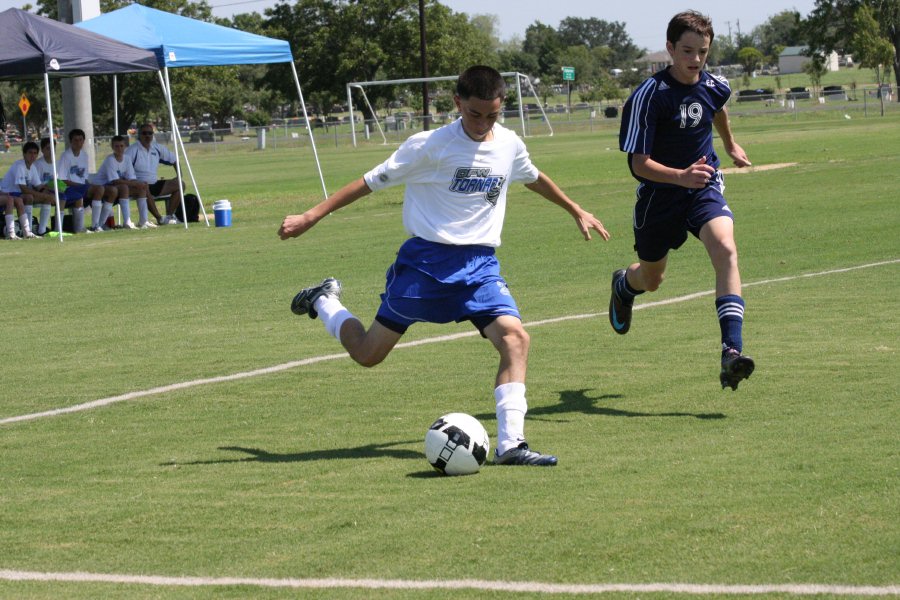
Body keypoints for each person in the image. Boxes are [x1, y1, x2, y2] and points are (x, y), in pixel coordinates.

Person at [279, 66, 610, 466]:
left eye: (492, 115)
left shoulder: (507, 143)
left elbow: (532, 175)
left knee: (516, 339)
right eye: (475, 114)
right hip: (426, 265)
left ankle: (511, 445)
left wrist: (575, 209)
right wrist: (311, 215)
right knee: (368, 354)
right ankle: (325, 300)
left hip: (479, 266)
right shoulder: (428, 146)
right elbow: (368, 182)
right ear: (457, 103)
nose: (483, 124)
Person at [609, 10, 755, 391]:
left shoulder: (713, 84)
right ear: (670, 48)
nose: (695, 60)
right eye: (687, 51)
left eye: (702, 52)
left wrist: (729, 144)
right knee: (652, 279)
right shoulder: (648, 97)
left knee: (725, 247)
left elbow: (718, 106)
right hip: (659, 198)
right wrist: (679, 176)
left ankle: (732, 352)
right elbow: (638, 165)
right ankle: (626, 285)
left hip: (703, 186)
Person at [57, 128, 117, 232]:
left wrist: (87, 185)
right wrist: (81, 186)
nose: (78, 142)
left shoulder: (84, 155)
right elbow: (62, 179)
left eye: (80, 140)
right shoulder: (66, 156)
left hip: (82, 187)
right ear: (70, 141)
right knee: (99, 190)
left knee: (112, 191)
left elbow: (84, 178)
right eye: (75, 140)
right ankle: (95, 225)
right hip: (70, 188)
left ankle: (101, 223)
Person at [124, 123, 183, 225]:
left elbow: (174, 160)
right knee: (144, 186)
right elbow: (123, 167)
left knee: (180, 184)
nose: (147, 136)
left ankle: (168, 216)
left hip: (154, 184)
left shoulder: (157, 148)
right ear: (139, 135)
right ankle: (160, 219)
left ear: (153, 135)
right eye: (144, 133)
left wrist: (179, 176)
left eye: (150, 133)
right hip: (138, 186)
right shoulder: (132, 150)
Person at [94, 135, 151, 230]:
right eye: (116, 146)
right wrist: (135, 183)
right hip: (103, 187)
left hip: (117, 187)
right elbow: (115, 181)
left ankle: (143, 221)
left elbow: (131, 178)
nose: (119, 148)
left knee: (141, 188)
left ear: (125, 146)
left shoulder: (127, 159)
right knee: (124, 187)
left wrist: (140, 184)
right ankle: (127, 221)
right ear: (112, 147)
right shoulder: (110, 160)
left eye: (121, 146)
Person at [34, 137, 88, 234]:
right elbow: (37, 184)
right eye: (47, 148)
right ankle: (58, 229)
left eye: (53, 148)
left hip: (59, 188)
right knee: (62, 198)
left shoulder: (58, 163)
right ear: (42, 150)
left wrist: (61, 187)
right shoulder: (38, 164)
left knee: (79, 197)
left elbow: (61, 180)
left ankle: (79, 228)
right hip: (45, 191)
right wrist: (49, 187)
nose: (51, 151)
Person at [0, 141, 46, 239]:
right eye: (30, 153)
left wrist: (50, 191)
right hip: (4, 194)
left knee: (25, 198)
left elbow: (39, 186)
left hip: (14, 195)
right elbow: (23, 188)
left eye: (35, 153)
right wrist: (44, 196)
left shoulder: (32, 167)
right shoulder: (20, 165)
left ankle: (27, 232)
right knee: (11, 199)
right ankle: (11, 233)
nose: (32, 156)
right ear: (24, 154)